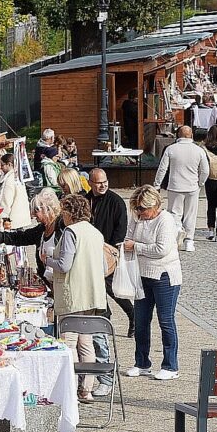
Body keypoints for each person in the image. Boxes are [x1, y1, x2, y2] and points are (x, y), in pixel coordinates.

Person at [44, 193, 115, 401]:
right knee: (86, 341)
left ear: (69, 213)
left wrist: (47, 260)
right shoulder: (95, 232)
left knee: (69, 342)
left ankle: (71, 389)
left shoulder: (71, 232)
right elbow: (104, 267)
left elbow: (64, 265)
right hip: (93, 295)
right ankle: (87, 389)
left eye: (63, 212)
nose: (62, 216)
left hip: (73, 295)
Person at [122, 185, 183, 381]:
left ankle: (170, 366)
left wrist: (136, 247)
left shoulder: (165, 220)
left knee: (165, 320)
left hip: (164, 275)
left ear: (154, 205)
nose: (139, 212)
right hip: (142, 275)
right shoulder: (137, 217)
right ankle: (142, 363)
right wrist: (131, 246)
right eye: (136, 208)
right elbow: (128, 238)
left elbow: (161, 250)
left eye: (142, 208)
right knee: (141, 320)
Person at [88, 168, 135, 338]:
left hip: (109, 253)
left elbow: (120, 230)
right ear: (90, 183)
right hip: (91, 252)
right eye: (99, 182)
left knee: (112, 288)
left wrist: (111, 250)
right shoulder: (87, 200)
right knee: (96, 288)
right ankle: (105, 318)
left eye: (105, 182)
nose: (103, 185)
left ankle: (132, 315)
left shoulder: (116, 202)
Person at [152, 125, 209, 252]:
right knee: (190, 214)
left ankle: (177, 230)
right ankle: (189, 241)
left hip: (175, 185)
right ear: (191, 135)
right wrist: (200, 183)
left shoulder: (171, 149)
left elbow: (162, 168)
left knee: (174, 213)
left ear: (178, 135)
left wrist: (157, 184)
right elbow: (205, 170)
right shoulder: (199, 150)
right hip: (192, 186)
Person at [0, 188, 62, 279]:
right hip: (46, 280)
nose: (33, 215)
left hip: (59, 281)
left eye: (36, 210)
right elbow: (21, 237)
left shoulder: (61, 229)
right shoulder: (42, 229)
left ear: (47, 210)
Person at [0, 153, 33, 233]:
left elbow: (6, 200)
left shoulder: (9, 179)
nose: (1, 168)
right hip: (20, 218)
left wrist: (2, 217)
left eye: (2, 165)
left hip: (12, 220)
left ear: (9, 164)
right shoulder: (18, 176)